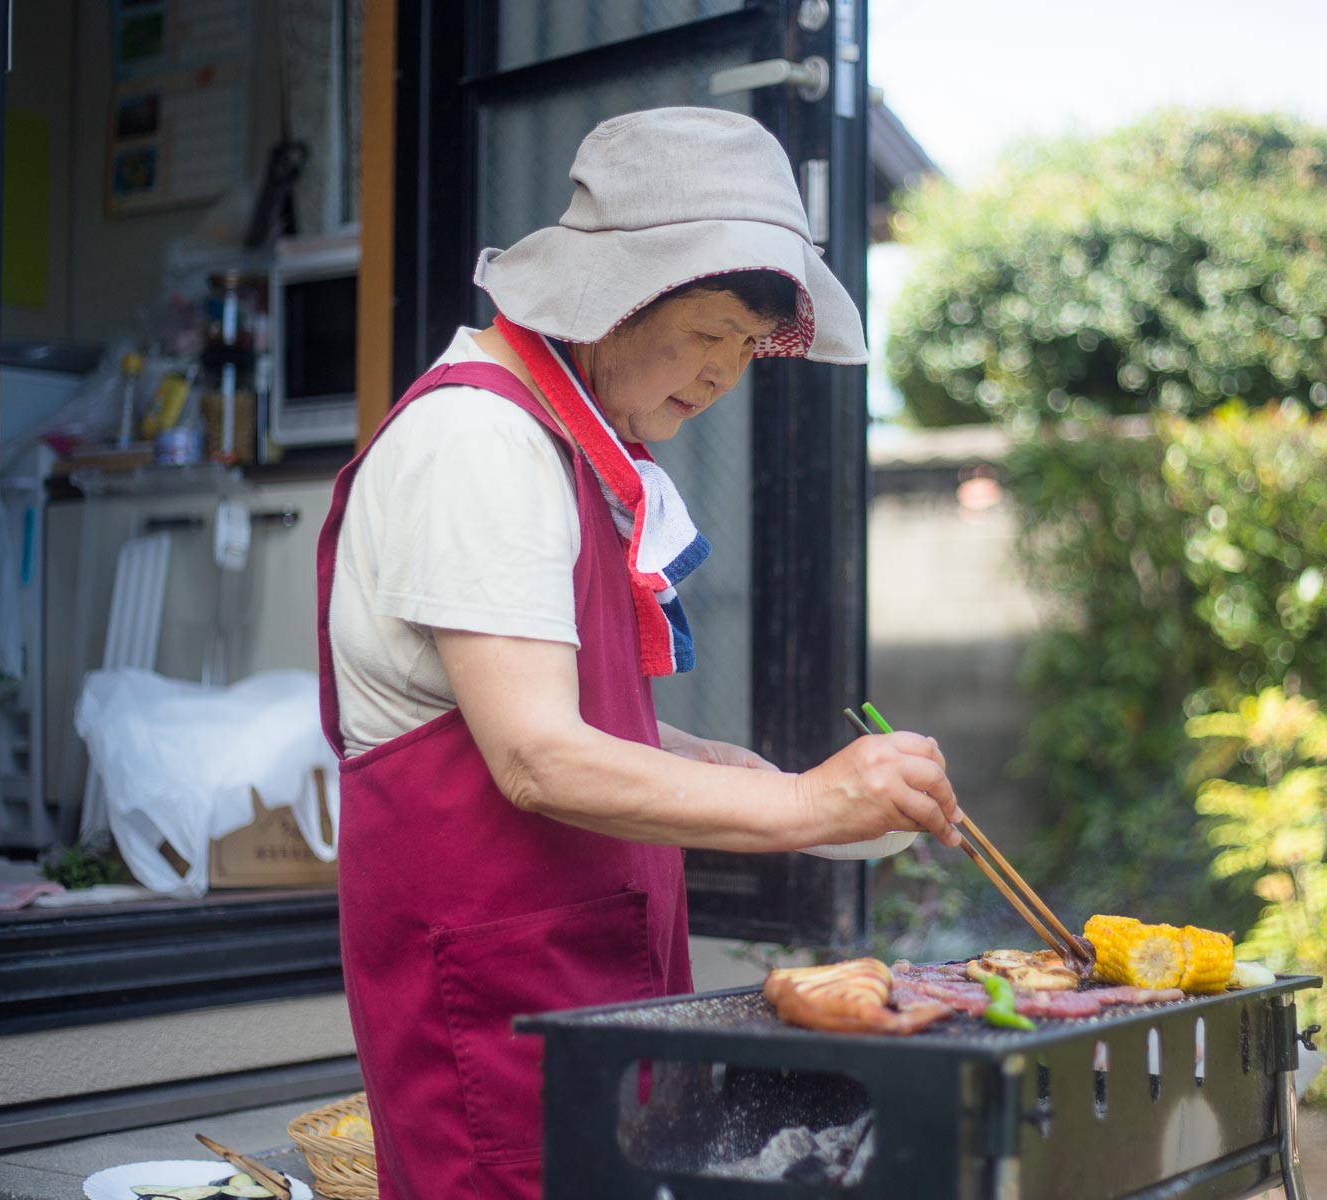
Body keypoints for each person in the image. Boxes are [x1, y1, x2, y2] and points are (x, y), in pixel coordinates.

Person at [314, 107, 963, 1200]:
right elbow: (535, 758)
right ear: (609, 292)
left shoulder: (566, 443)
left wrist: (712, 764)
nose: (723, 376)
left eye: (748, 350)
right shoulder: (480, 440)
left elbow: (520, 717)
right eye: (708, 332)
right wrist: (809, 806)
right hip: (498, 1011)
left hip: (594, 991)